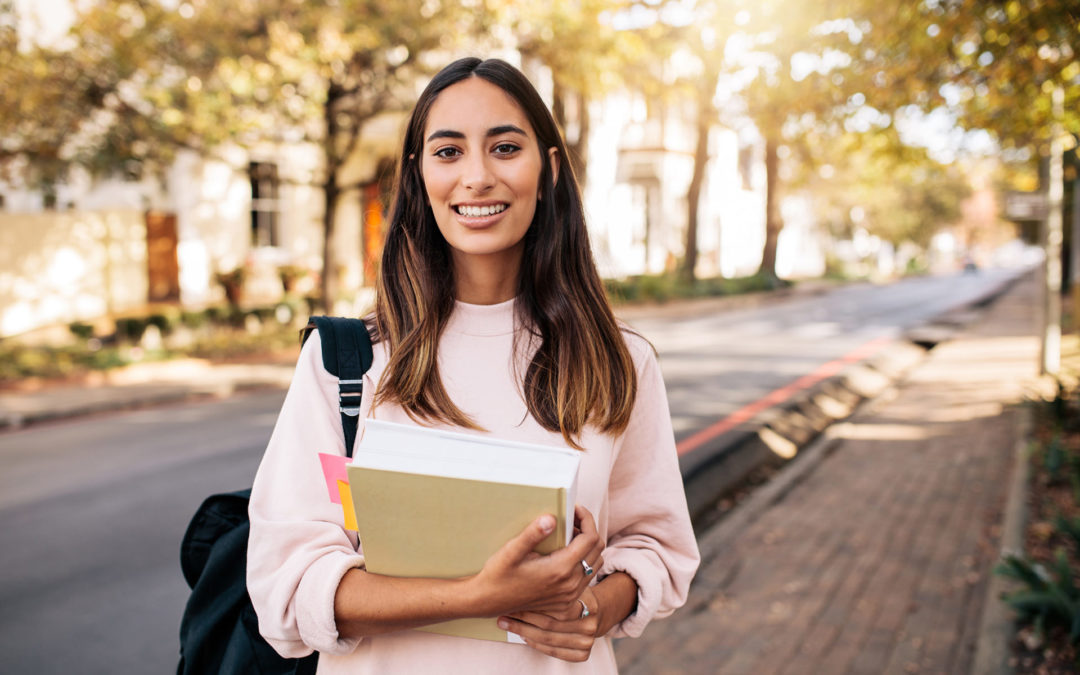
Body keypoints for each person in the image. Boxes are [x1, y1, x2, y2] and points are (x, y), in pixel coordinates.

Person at [247, 57, 700, 674]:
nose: (477, 177)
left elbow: (656, 547)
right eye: (449, 152)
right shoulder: (345, 363)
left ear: (549, 169)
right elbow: (285, 585)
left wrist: (593, 609)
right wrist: (477, 599)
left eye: (506, 147)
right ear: (419, 174)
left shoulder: (619, 362)